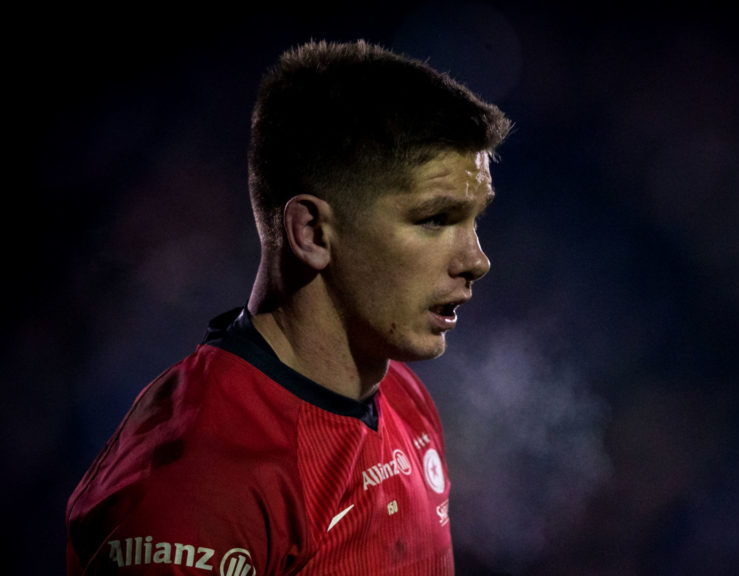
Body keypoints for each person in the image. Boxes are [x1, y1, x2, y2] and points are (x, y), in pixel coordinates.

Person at [66, 39, 511, 575]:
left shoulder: (401, 395)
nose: (477, 260)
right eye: (435, 219)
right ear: (312, 232)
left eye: (474, 220)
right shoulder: (198, 485)